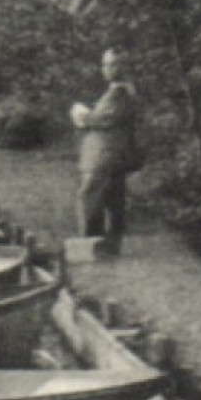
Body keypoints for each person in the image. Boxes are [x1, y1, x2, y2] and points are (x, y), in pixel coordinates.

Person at [70, 48, 142, 254]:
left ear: (124, 66)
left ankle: (90, 248)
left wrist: (81, 114)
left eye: (113, 64)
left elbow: (102, 119)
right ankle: (109, 250)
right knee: (112, 200)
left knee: (89, 198)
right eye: (105, 64)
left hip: (105, 155)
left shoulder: (120, 92)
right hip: (110, 154)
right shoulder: (119, 91)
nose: (107, 69)